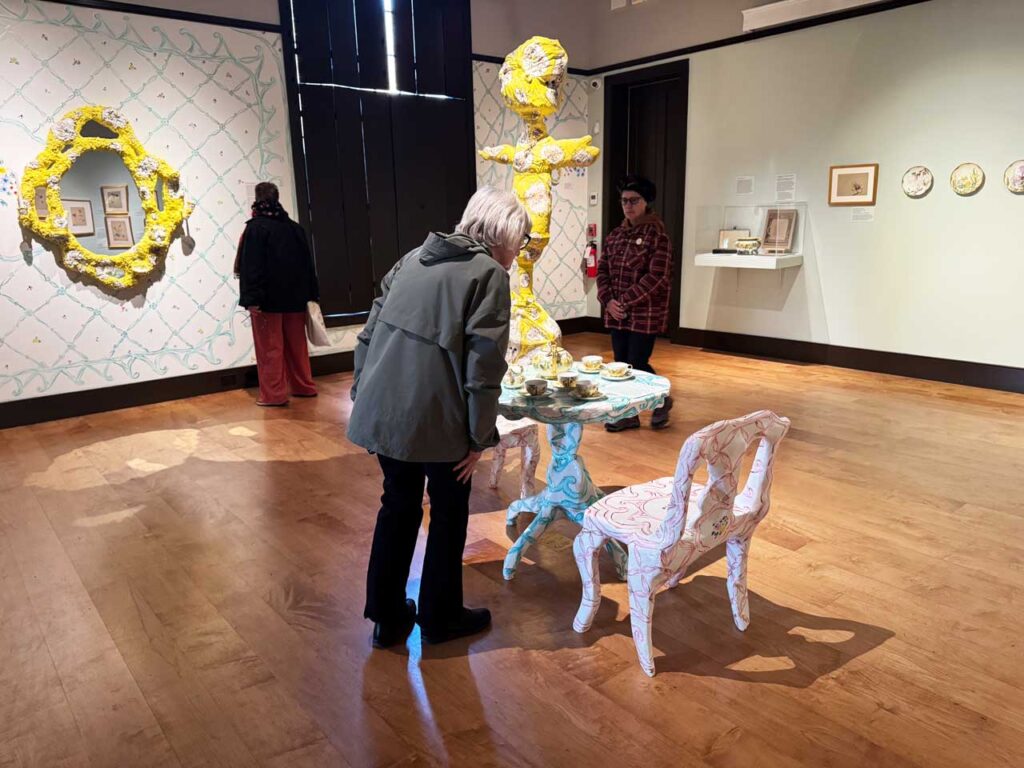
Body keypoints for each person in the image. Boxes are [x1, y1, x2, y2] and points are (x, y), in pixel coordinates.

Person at [347, 186, 531, 648]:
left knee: (398, 505)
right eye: (521, 241)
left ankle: (387, 619)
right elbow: (484, 368)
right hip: (440, 421)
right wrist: (478, 439)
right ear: (502, 234)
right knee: (448, 511)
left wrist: (362, 394)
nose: (519, 252)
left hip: (385, 412)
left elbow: (368, 336)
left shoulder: (412, 259)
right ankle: (440, 614)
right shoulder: (488, 275)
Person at [597, 174, 674, 432]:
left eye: (634, 200)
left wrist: (625, 302)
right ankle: (628, 414)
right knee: (621, 362)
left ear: (645, 202)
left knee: (637, 362)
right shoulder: (616, 235)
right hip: (616, 312)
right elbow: (603, 269)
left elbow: (657, 277)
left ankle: (661, 399)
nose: (628, 206)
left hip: (644, 313)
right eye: (624, 201)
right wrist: (608, 300)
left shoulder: (657, 234)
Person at [236, 182, 320, 406]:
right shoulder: (295, 228)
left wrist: (251, 299)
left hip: (267, 301)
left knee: (270, 349)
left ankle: (274, 395)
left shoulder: (255, 228)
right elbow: (308, 265)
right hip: (296, 299)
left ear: (256, 198)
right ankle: (304, 386)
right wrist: (312, 294)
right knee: (297, 346)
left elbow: (251, 267)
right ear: (278, 197)